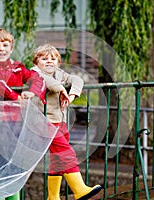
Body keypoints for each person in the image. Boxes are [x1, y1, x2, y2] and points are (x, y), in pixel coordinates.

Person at [0, 27, 46, 200]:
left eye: (5, 45)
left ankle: (12, 196)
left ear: (11, 48)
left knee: (14, 160)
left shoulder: (18, 67)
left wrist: (32, 92)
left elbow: (36, 78)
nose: (1, 49)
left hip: (15, 120)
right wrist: (15, 97)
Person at [31, 44, 102, 200]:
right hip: (44, 122)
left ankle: (53, 197)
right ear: (36, 62)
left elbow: (76, 79)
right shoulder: (34, 73)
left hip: (60, 121)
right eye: (44, 58)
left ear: (58, 62)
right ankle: (79, 190)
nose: (49, 61)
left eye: (53, 58)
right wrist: (62, 89)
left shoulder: (59, 73)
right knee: (66, 153)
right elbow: (48, 82)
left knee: (57, 159)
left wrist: (72, 95)